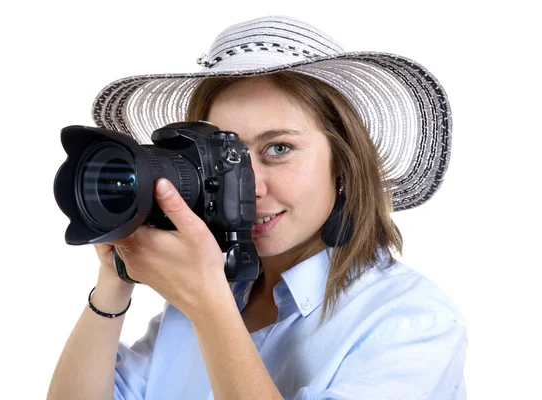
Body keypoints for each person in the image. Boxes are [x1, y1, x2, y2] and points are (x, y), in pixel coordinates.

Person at [47, 15, 467, 400]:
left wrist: (209, 306)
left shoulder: (409, 320)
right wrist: (114, 279)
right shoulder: (205, 296)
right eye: (226, 159)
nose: (249, 187)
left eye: (278, 148)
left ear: (344, 161)